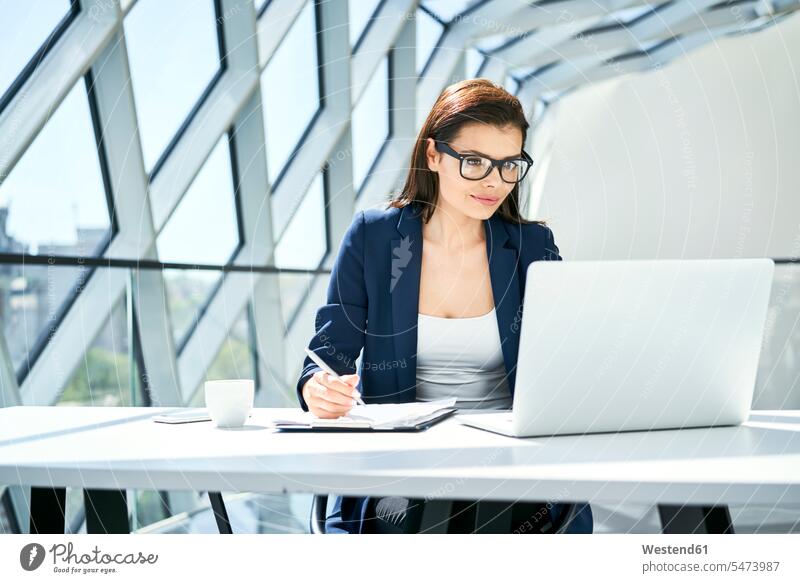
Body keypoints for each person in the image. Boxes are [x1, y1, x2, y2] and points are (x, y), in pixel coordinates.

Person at [296, 77, 593, 534]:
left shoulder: (532, 247)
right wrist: (318, 388)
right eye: (474, 162)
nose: (495, 181)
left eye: (509, 164)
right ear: (433, 155)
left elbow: (566, 363)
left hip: (511, 472)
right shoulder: (374, 238)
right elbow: (326, 357)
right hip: (400, 470)